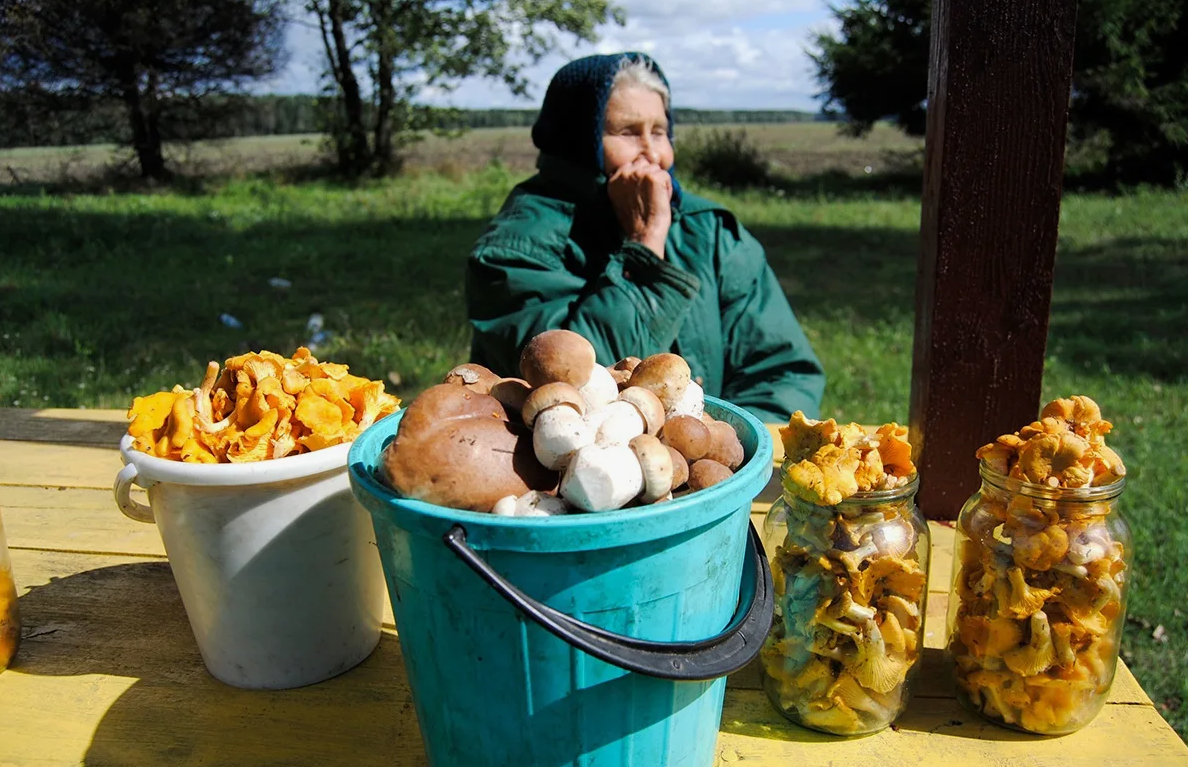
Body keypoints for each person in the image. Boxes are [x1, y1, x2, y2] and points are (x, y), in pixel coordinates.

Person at [465, 52, 825, 423]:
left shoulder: (708, 231)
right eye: (627, 132)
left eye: (658, 132)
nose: (654, 153)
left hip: (715, 472)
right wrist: (645, 246)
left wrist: (739, 452)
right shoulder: (516, 248)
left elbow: (781, 370)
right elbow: (580, 397)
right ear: (576, 145)